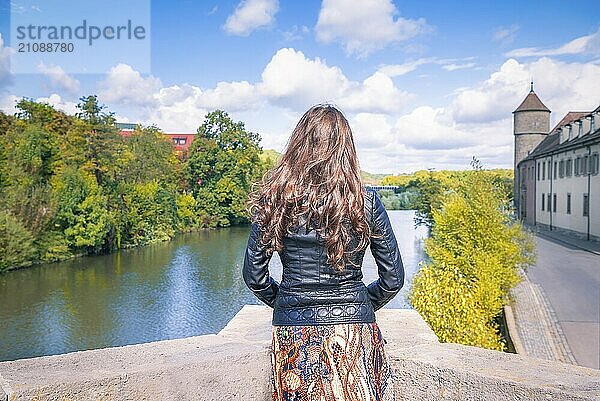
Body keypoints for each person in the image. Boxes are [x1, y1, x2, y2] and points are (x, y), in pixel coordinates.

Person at [243, 104, 404, 401]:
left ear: (299, 145)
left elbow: (255, 276)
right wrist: (357, 303)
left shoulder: (276, 200)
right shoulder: (366, 203)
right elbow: (392, 280)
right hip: (355, 329)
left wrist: (287, 300)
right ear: (346, 148)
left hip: (293, 328)